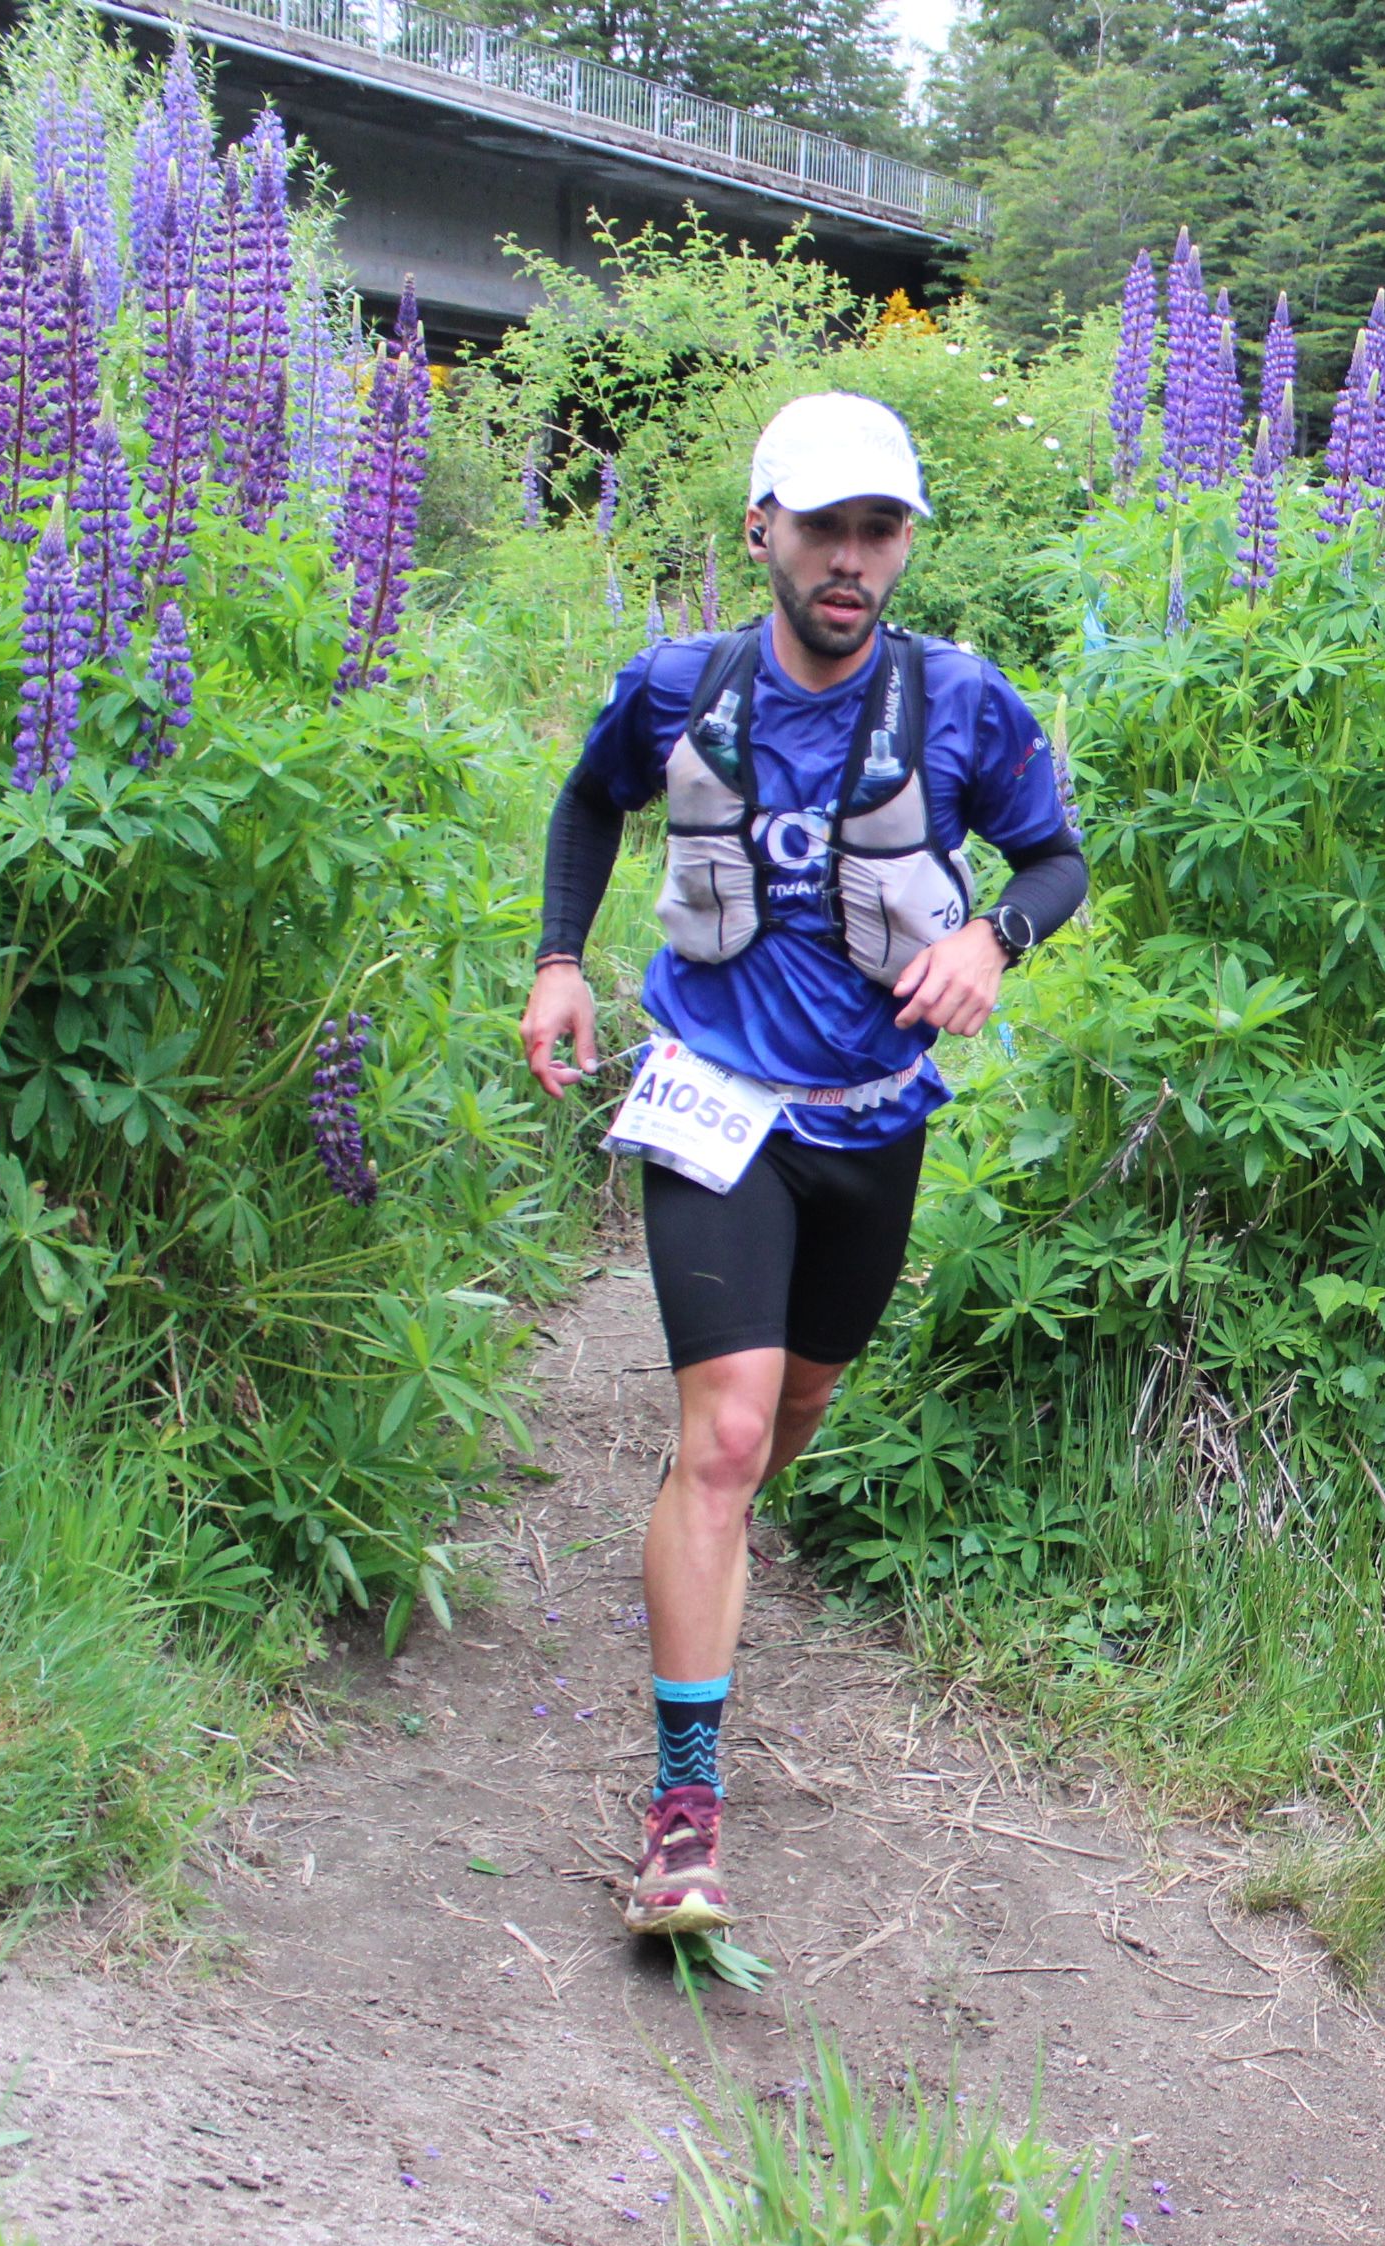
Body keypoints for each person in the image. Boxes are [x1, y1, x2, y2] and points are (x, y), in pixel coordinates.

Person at [519, 392, 1085, 1936]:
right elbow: (588, 802)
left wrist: (990, 936)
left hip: (873, 1117)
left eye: (879, 529)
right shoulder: (674, 690)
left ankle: (709, 1538)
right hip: (712, 1096)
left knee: (792, 1416)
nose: (851, 558)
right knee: (726, 1433)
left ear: (905, 545)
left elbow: (1057, 860)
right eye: (824, 525)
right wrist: (561, 959)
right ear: (759, 528)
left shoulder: (964, 704)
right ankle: (685, 1811)